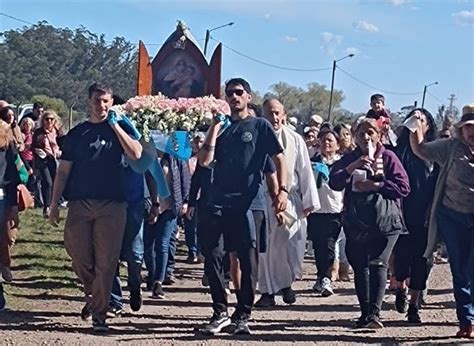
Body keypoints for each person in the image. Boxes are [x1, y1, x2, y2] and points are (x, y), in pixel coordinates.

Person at [48, 82, 142, 332]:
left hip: (113, 204)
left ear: (112, 103)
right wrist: (54, 202)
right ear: (88, 101)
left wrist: (115, 126)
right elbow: (63, 172)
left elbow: (137, 154)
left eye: (106, 101)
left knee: (107, 261)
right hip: (80, 202)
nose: (101, 105)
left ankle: (100, 313)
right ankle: (94, 294)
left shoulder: (121, 129)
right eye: (97, 100)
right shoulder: (77, 134)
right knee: (78, 255)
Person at [198, 78, 288, 335]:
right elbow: (204, 161)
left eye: (239, 93)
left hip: (249, 203)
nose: (234, 97)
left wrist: (280, 191)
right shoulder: (221, 128)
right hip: (218, 202)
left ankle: (243, 314)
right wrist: (214, 128)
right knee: (213, 254)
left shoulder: (259, 126)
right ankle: (220, 311)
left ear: (248, 96)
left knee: (248, 259)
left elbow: (277, 158)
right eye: (229, 94)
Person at [329, 118, 410, 329]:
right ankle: (365, 314)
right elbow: (334, 181)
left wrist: (377, 185)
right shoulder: (351, 158)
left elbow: (403, 187)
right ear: (354, 137)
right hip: (356, 222)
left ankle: (375, 314)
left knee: (378, 263)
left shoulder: (389, 157)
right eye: (361, 133)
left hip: (386, 222)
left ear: (379, 135)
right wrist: (351, 168)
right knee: (359, 266)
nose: (366, 137)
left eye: (371, 132)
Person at [409, 104, 474, 338]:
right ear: (461, 130)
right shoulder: (450, 147)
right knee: (460, 269)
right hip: (453, 215)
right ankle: (467, 321)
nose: (471, 132)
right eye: (467, 128)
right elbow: (420, 149)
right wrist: (415, 126)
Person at [255, 98, 319, 307]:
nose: (274, 118)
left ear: (283, 114)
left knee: (290, 242)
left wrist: (309, 200)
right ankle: (267, 292)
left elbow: (305, 170)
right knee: (265, 248)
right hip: (262, 200)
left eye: (277, 113)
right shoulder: (256, 136)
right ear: (262, 115)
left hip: (289, 201)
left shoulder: (295, 139)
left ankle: (286, 283)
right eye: (269, 113)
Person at [392, 108, 438, 323]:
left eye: (422, 119)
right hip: (401, 213)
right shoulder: (397, 151)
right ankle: (400, 287)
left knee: (423, 260)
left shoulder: (435, 153)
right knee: (400, 257)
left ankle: (414, 304)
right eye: (414, 118)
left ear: (428, 125)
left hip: (426, 215)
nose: (417, 122)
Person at [144, 152, 189, 298]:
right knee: (147, 244)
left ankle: (159, 281)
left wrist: (186, 201)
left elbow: (184, 179)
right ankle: (152, 273)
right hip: (150, 206)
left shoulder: (175, 158)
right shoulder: (146, 157)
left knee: (163, 243)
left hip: (169, 206)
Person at [307, 129, 344, 297]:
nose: (326, 143)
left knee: (329, 245)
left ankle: (327, 277)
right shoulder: (312, 162)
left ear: (337, 145)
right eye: (323, 140)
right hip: (316, 210)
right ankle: (321, 275)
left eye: (330, 140)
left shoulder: (342, 164)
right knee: (318, 246)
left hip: (335, 211)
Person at [0, 120, 21, 292]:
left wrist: (13, 204)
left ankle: (4, 263)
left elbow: (12, 175)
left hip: (2, 196)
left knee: (5, 236)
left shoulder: (5, 139)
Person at [32, 111, 64, 218]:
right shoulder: (39, 132)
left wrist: (59, 152)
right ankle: (46, 207)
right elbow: (34, 146)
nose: (49, 121)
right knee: (48, 182)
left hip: (55, 160)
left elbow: (63, 144)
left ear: (55, 120)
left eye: (51, 119)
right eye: (47, 119)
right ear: (43, 120)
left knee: (55, 182)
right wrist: (41, 152)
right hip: (43, 160)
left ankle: (53, 205)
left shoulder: (58, 132)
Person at [184, 133, 204, 263]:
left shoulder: (207, 159)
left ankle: (201, 251)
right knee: (190, 226)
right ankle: (192, 251)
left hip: (204, 197)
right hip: (191, 196)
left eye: (201, 141)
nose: (198, 145)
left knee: (201, 226)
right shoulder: (188, 160)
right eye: (196, 142)